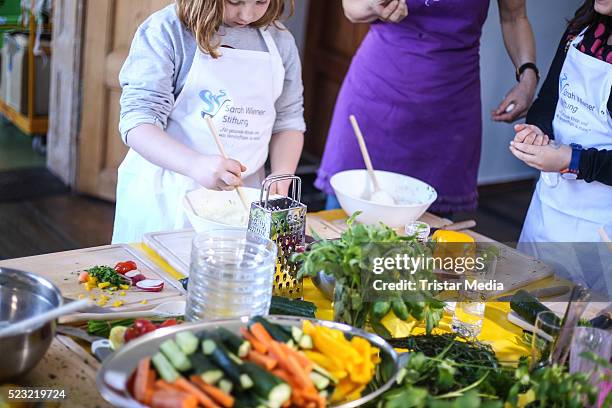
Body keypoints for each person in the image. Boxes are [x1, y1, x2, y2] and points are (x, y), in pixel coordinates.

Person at [315, 0, 539, 215]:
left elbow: (515, 17)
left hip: (449, 109)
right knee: (344, 227)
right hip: (377, 96)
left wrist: (528, 75)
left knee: (428, 240)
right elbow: (352, 8)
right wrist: (374, 5)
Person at [112, 0, 305, 243]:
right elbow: (138, 123)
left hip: (246, 197)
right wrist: (194, 164)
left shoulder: (279, 40)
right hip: (169, 195)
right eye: (235, 1)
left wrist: (283, 172)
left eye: (260, 2)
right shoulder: (167, 30)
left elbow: (288, 121)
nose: (246, 14)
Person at [510, 0, 611, 292]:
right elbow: (549, 99)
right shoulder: (583, 30)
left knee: (579, 326)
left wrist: (572, 159)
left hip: (602, 228)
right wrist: (537, 131)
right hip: (549, 208)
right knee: (519, 307)